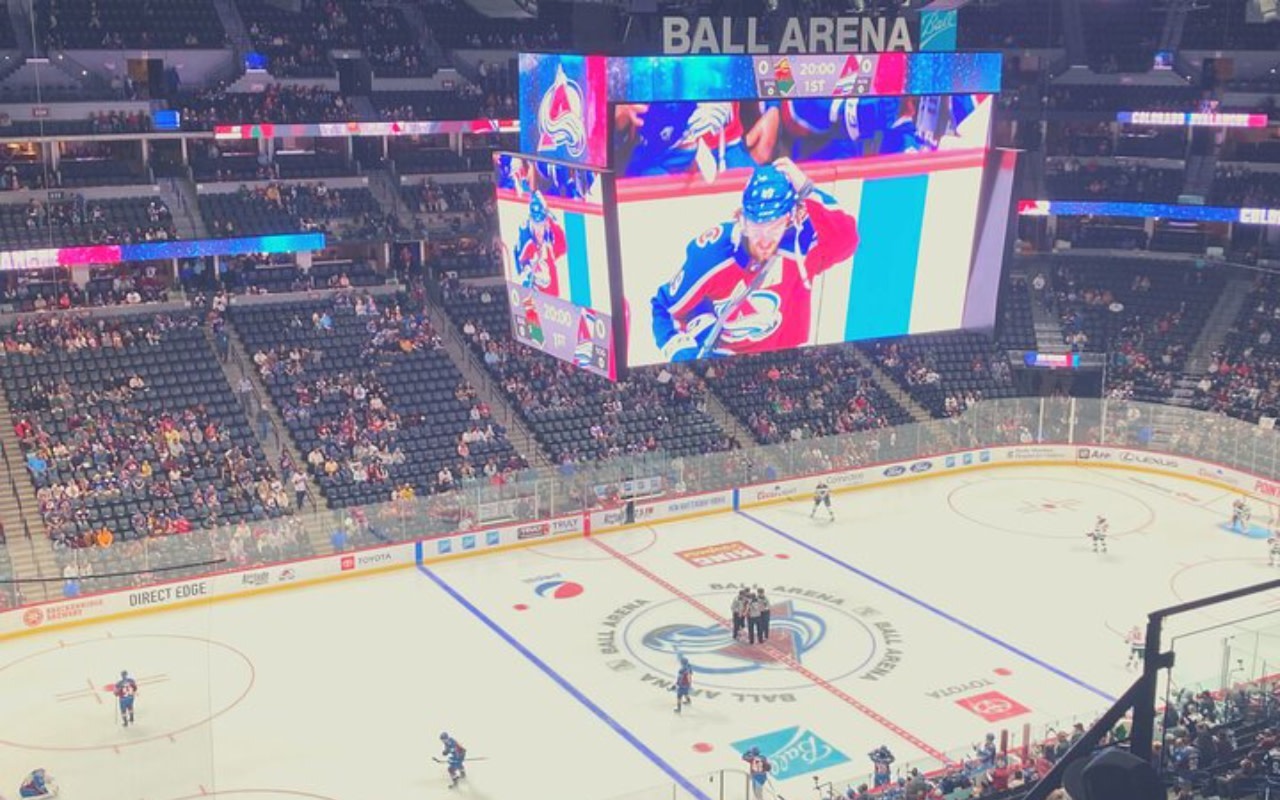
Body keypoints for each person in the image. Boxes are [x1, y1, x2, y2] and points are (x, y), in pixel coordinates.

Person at [650, 158, 859, 362]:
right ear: (742, 218)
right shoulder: (712, 255)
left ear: (789, 219)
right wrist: (683, 353)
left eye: (775, 225)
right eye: (757, 226)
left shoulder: (800, 245)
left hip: (784, 364)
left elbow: (847, 241)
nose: (765, 239)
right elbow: (664, 307)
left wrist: (807, 189)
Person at [512, 191, 565, 297]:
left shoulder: (549, 236)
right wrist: (527, 275)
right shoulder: (526, 238)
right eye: (536, 224)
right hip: (534, 292)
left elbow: (562, 246)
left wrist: (552, 220)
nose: (539, 230)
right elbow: (521, 262)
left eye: (541, 224)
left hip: (551, 298)